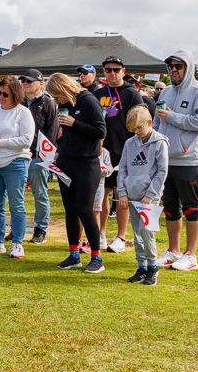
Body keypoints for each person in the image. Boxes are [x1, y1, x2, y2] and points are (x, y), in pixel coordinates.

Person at [153, 51, 198, 273]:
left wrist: (173, 117)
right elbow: (157, 122)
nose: (174, 70)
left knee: (191, 208)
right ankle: (173, 251)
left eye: (178, 66)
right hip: (166, 160)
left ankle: (191, 255)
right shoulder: (166, 92)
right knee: (170, 208)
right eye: (171, 66)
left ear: (188, 67)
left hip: (189, 160)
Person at [48, 72, 107, 271]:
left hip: (86, 163)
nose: (56, 100)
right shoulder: (64, 105)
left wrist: (75, 123)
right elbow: (64, 132)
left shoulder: (89, 101)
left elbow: (101, 131)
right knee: (70, 209)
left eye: (57, 96)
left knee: (85, 210)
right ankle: (74, 254)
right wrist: (59, 147)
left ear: (64, 89)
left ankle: (96, 257)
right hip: (66, 161)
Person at [0, 76, 35, 258]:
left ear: (15, 94)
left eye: (5, 94)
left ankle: (17, 242)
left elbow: (27, 140)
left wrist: (1, 142)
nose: (0, 97)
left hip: (15, 162)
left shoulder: (23, 113)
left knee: (16, 204)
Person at [96, 56, 144, 254]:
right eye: (108, 70)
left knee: (121, 193)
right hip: (101, 151)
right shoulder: (98, 93)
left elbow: (141, 120)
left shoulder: (132, 94)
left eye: (116, 69)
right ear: (104, 72)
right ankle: (100, 233)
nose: (112, 73)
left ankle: (121, 237)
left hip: (124, 151)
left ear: (123, 71)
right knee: (101, 194)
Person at [117, 106, 169, 285]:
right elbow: (122, 169)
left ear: (149, 123)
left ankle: (153, 267)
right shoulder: (129, 143)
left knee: (147, 231)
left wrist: (151, 194)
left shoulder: (160, 143)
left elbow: (162, 171)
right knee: (137, 232)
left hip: (149, 197)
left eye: (139, 128)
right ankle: (142, 267)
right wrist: (122, 192)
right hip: (132, 194)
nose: (136, 132)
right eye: (133, 129)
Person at [23, 70, 56, 245]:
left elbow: (53, 130)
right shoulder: (18, 101)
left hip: (38, 156)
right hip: (19, 155)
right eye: (24, 80)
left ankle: (41, 229)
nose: (26, 83)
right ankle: (17, 227)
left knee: (40, 194)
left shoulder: (47, 102)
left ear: (41, 84)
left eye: (30, 81)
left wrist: (46, 156)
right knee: (15, 194)